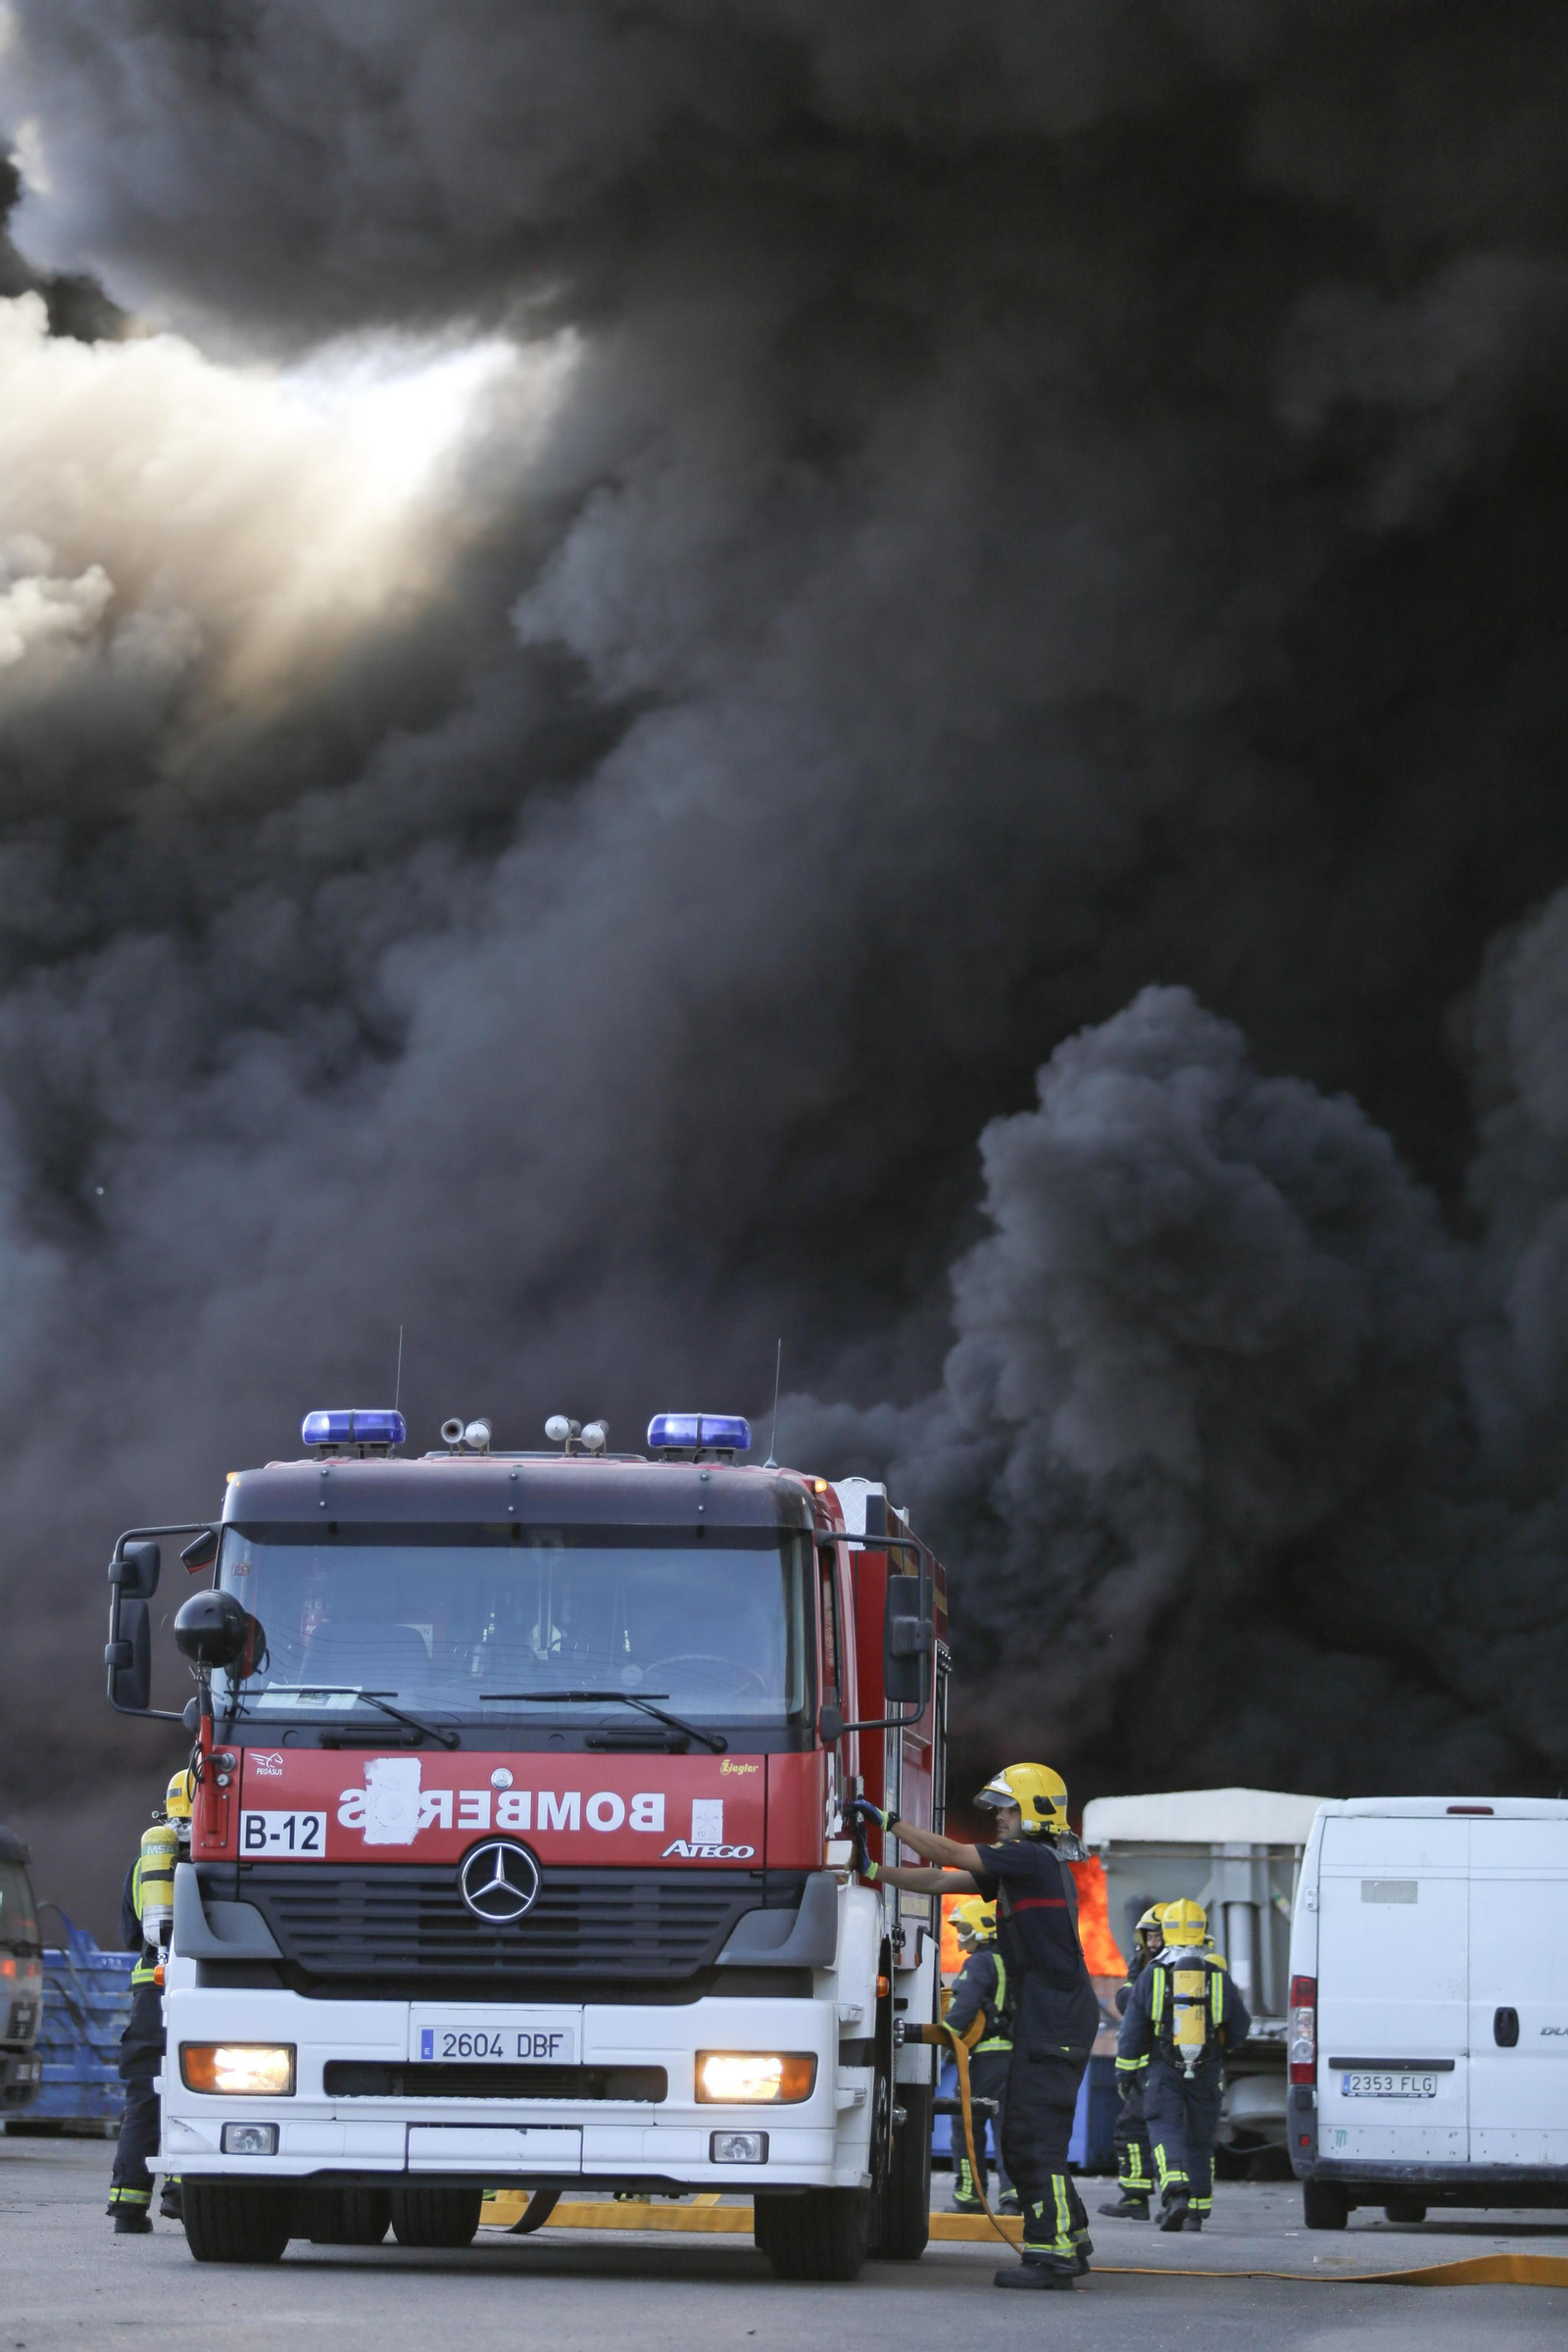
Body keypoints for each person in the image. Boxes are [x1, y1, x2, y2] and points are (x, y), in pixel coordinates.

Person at [849, 1761, 1100, 2291]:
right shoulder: (1024, 1866)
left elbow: (948, 1853)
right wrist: (874, 1874)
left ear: (1033, 1810)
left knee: (1032, 2134)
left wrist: (887, 1821)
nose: (999, 1819)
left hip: (1055, 2012)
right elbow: (941, 1879)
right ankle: (1069, 2240)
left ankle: (1050, 2256)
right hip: (1047, 2009)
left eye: (1007, 1809)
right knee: (1028, 2130)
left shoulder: (1032, 1856)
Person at [1115, 1896, 1250, 2231]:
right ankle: (1196, 2212)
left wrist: (1125, 2071)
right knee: (1200, 2140)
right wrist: (1221, 2048)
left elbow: (1132, 2029)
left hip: (1164, 2068)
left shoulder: (1153, 1973)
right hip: (1207, 2070)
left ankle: (1174, 2193)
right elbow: (1240, 2027)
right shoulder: (1217, 1974)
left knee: (1164, 2129)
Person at [107, 1771, 192, 2234]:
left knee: (143, 2098)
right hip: (196, 1992)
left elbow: (128, 1936)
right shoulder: (218, 1854)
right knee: (193, 2095)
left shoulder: (145, 1865)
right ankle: (180, 2196)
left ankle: (126, 2207)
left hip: (147, 1998)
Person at [943, 1897, 1016, 2215]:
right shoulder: (1014, 1961)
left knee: (967, 2126)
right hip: (1015, 2058)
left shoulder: (980, 1963)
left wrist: (940, 2037)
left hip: (985, 2058)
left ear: (986, 1927)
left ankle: (970, 2197)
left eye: (966, 1928)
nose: (962, 1935)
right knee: (1008, 2131)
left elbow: (963, 2011)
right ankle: (1013, 2199)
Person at [1102, 1903, 1165, 2219]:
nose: (1152, 1942)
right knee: (1135, 2129)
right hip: (1149, 2062)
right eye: (1148, 1936)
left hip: (1156, 2064)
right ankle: (1141, 2198)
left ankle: (1137, 2198)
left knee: (1137, 2130)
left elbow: (1134, 2006)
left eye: (1158, 1936)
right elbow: (1126, 2002)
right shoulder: (1142, 1962)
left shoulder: (1163, 1968)